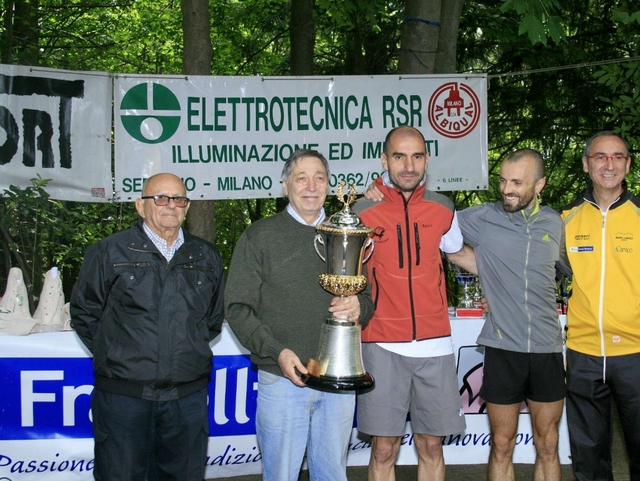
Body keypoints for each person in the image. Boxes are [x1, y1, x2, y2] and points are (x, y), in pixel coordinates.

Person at [224, 149, 375, 481]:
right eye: (301, 177)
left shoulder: (348, 233)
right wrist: (276, 352)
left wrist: (359, 306)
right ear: (285, 185)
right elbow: (237, 308)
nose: (311, 186)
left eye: (319, 177)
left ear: (329, 185)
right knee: (281, 475)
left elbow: (367, 293)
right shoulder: (259, 237)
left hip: (338, 378)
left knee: (333, 474)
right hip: (283, 379)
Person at [70, 173, 225, 481]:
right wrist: (119, 355)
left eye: (179, 199)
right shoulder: (109, 252)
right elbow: (85, 313)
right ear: (141, 206)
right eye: (161, 198)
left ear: (187, 206)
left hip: (186, 399)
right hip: (123, 399)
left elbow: (211, 320)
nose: (171, 205)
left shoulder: (206, 257)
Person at [353, 125, 475, 481]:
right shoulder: (362, 211)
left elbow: (460, 256)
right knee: (384, 447)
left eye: (417, 156)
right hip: (381, 343)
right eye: (399, 156)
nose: (409, 165)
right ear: (384, 159)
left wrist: (513, 275)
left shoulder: (443, 208)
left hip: (434, 344)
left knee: (432, 445)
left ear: (427, 160)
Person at [456, 149, 570, 480]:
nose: (507, 189)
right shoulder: (483, 217)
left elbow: (564, 270)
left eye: (517, 182)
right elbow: (435, 226)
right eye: (504, 180)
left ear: (540, 184)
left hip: (547, 348)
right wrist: (487, 276)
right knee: (502, 444)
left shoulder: (555, 222)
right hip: (503, 348)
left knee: (547, 444)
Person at [559, 131, 640, 481]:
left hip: (636, 353)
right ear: (586, 164)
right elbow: (542, 273)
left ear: (629, 164)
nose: (609, 164)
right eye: (601, 157)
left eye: (618, 156)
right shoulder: (565, 220)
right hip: (583, 353)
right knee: (588, 458)